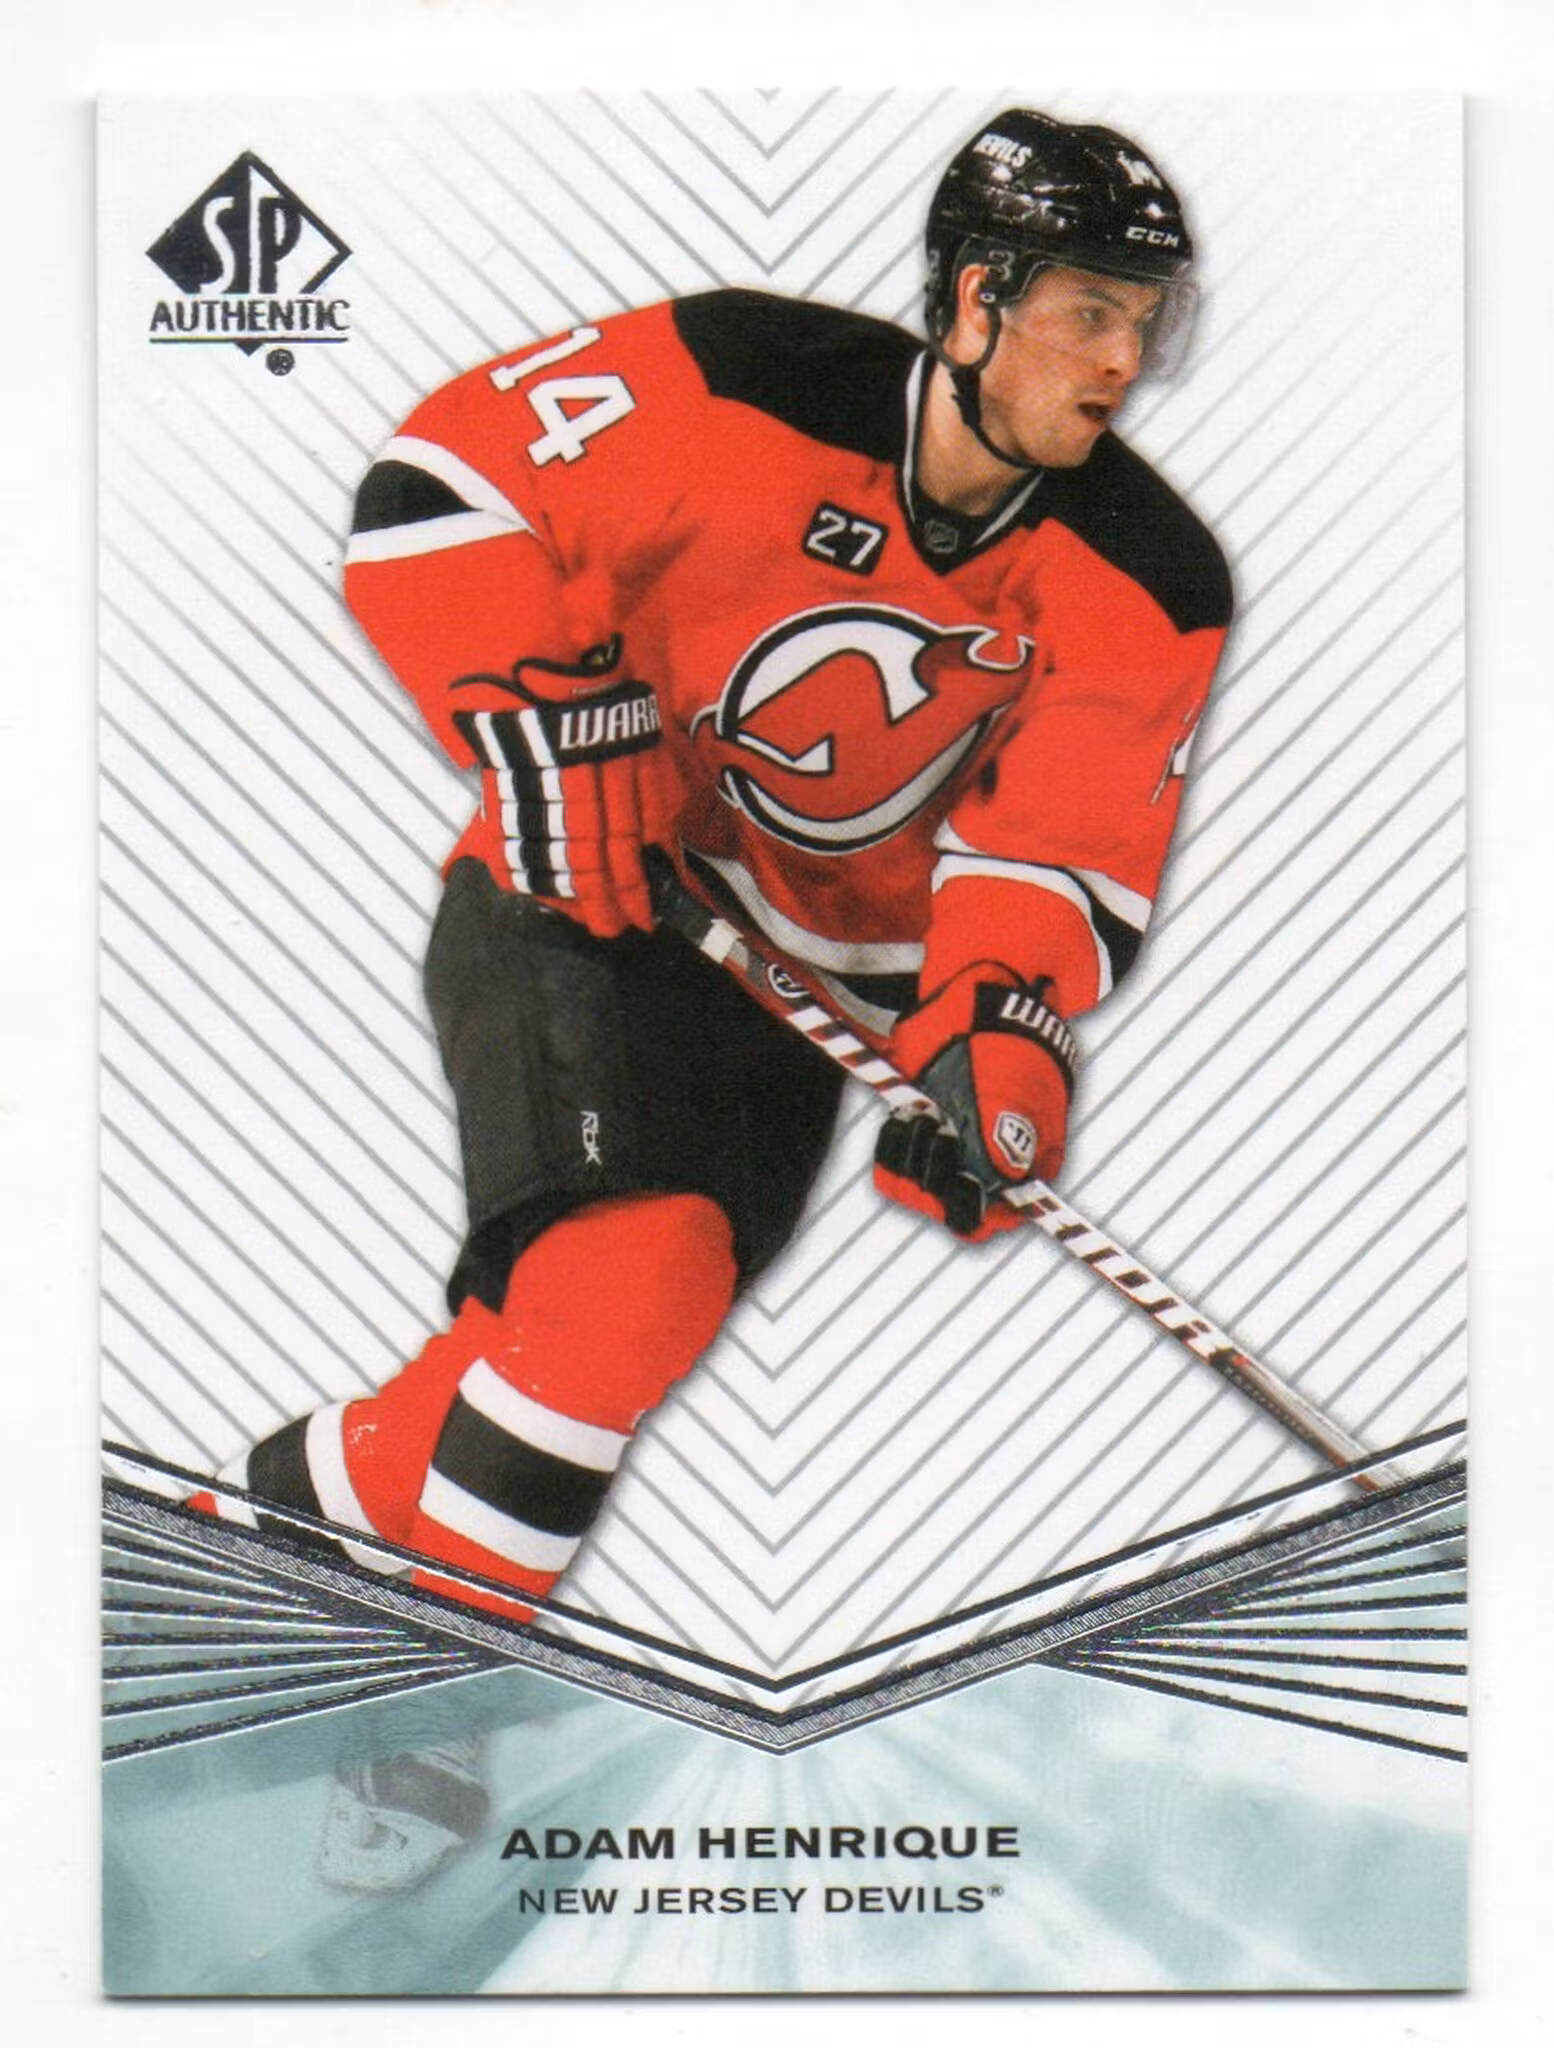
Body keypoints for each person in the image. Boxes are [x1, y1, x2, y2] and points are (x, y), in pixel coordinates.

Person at [193, 107, 1232, 1624]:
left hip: (802, 993)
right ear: (974, 300)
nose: (1122, 361)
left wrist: (992, 1039)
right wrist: (547, 715)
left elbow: (1054, 847)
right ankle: (446, 1681)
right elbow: (440, 484)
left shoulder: (1151, 573)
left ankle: (270, 1524)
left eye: (1147, 322)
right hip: (593, 888)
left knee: (590, 1326)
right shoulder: (738, 373)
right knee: (624, 1286)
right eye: (1089, 312)